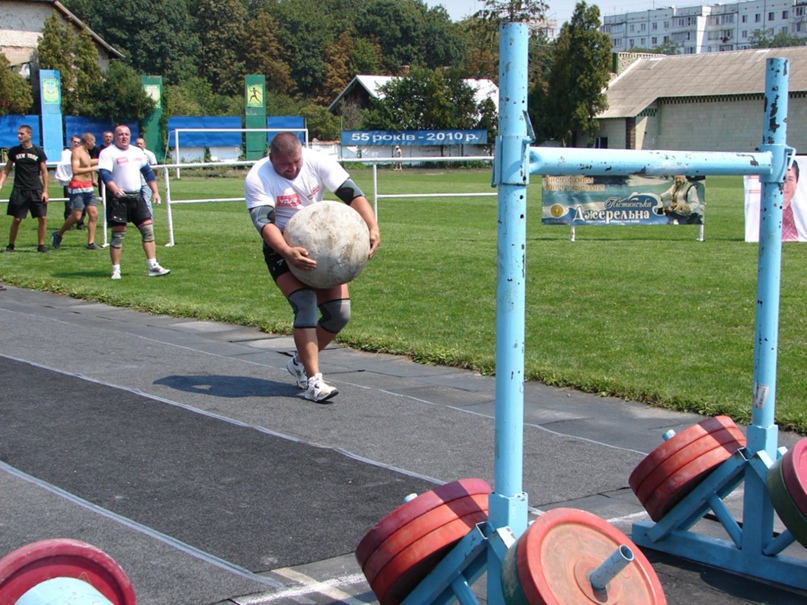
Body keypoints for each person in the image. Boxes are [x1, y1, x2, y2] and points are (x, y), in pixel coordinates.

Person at [245, 132, 380, 403]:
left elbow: (352, 194)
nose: (292, 168)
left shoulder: (318, 161)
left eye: (295, 162)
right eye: (284, 164)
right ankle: (313, 381)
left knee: (338, 314)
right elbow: (264, 223)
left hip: (323, 250)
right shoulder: (258, 177)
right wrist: (287, 251)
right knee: (305, 303)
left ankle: (299, 362)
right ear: (271, 157)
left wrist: (373, 227)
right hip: (281, 248)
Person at [98, 125, 170, 280]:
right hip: (118, 200)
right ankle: (116, 269)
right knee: (118, 235)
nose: (124, 137)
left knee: (148, 230)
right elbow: (104, 174)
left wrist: (155, 192)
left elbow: (147, 172)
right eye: (120, 134)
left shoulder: (137, 152)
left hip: (137, 198)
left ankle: (152, 265)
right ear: (115, 136)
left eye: (126, 134)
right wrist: (114, 188)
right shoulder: (108, 153)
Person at [0, 124, 49, 253]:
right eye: (18, 134)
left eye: (22, 134)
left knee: (42, 217)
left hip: (35, 189)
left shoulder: (38, 151)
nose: (19, 136)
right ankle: (11, 245)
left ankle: (41, 245)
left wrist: (45, 191)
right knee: (17, 219)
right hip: (19, 189)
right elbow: (7, 169)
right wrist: (1, 183)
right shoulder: (14, 151)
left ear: (29, 135)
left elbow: (44, 172)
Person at [51, 132, 101, 251]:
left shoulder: (86, 153)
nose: (94, 144)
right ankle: (58, 234)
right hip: (77, 186)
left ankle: (90, 242)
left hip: (88, 186)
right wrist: (94, 168)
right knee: (76, 216)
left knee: (94, 214)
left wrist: (103, 160)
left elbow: (88, 163)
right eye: (93, 142)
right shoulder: (76, 152)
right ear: (88, 141)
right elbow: (76, 170)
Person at [55, 135, 81, 223]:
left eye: (78, 142)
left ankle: (80, 223)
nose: (76, 144)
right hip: (68, 181)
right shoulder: (65, 153)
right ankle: (68, 221)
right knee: (68, 202)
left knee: (80, 202)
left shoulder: (81, 152)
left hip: (79, 181)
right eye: (75, 142)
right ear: (71, 142)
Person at [135, 137, 158, 215]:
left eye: (140, 143)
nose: (138, 145)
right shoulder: (131, 154)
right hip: (135, 182)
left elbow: (155, 168)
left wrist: (152, 179)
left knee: (146, 200)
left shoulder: (149, 154)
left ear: (144, 145)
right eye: (137, 143)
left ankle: (149, 219)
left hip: (146, 182)